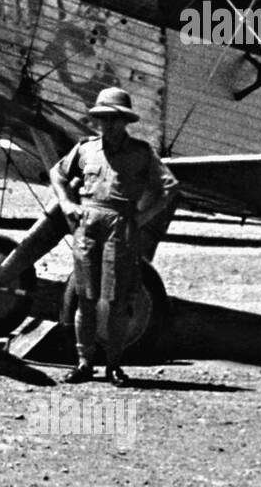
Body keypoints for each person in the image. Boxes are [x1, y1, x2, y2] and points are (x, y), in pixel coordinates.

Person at [50, 87, 178, 386]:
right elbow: (58, 174)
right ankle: (84, 364)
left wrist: (143, 217)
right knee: (86, 299)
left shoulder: (141, 153)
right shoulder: (85, 149)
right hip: (88, 225)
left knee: (118, 300)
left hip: (121, 227)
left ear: (125, 122)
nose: (108, 124)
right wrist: (68, 203)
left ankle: (114, 366)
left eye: (114, 119)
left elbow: (169, 187)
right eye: (103, 118)